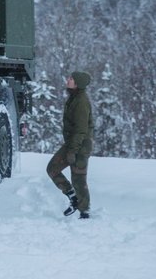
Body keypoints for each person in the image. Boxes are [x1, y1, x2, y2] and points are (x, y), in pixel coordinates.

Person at [46, 70, 94, 219]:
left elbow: (81, 130)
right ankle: (72, 197)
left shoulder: (81, 102)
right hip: (72, 144)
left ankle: (84, 213)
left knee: (79, 179)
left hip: (80, 145)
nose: (68, 80)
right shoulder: (74, 98)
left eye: (71, 79)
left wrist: (73, 151)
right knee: (52, 169)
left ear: (78, 84)